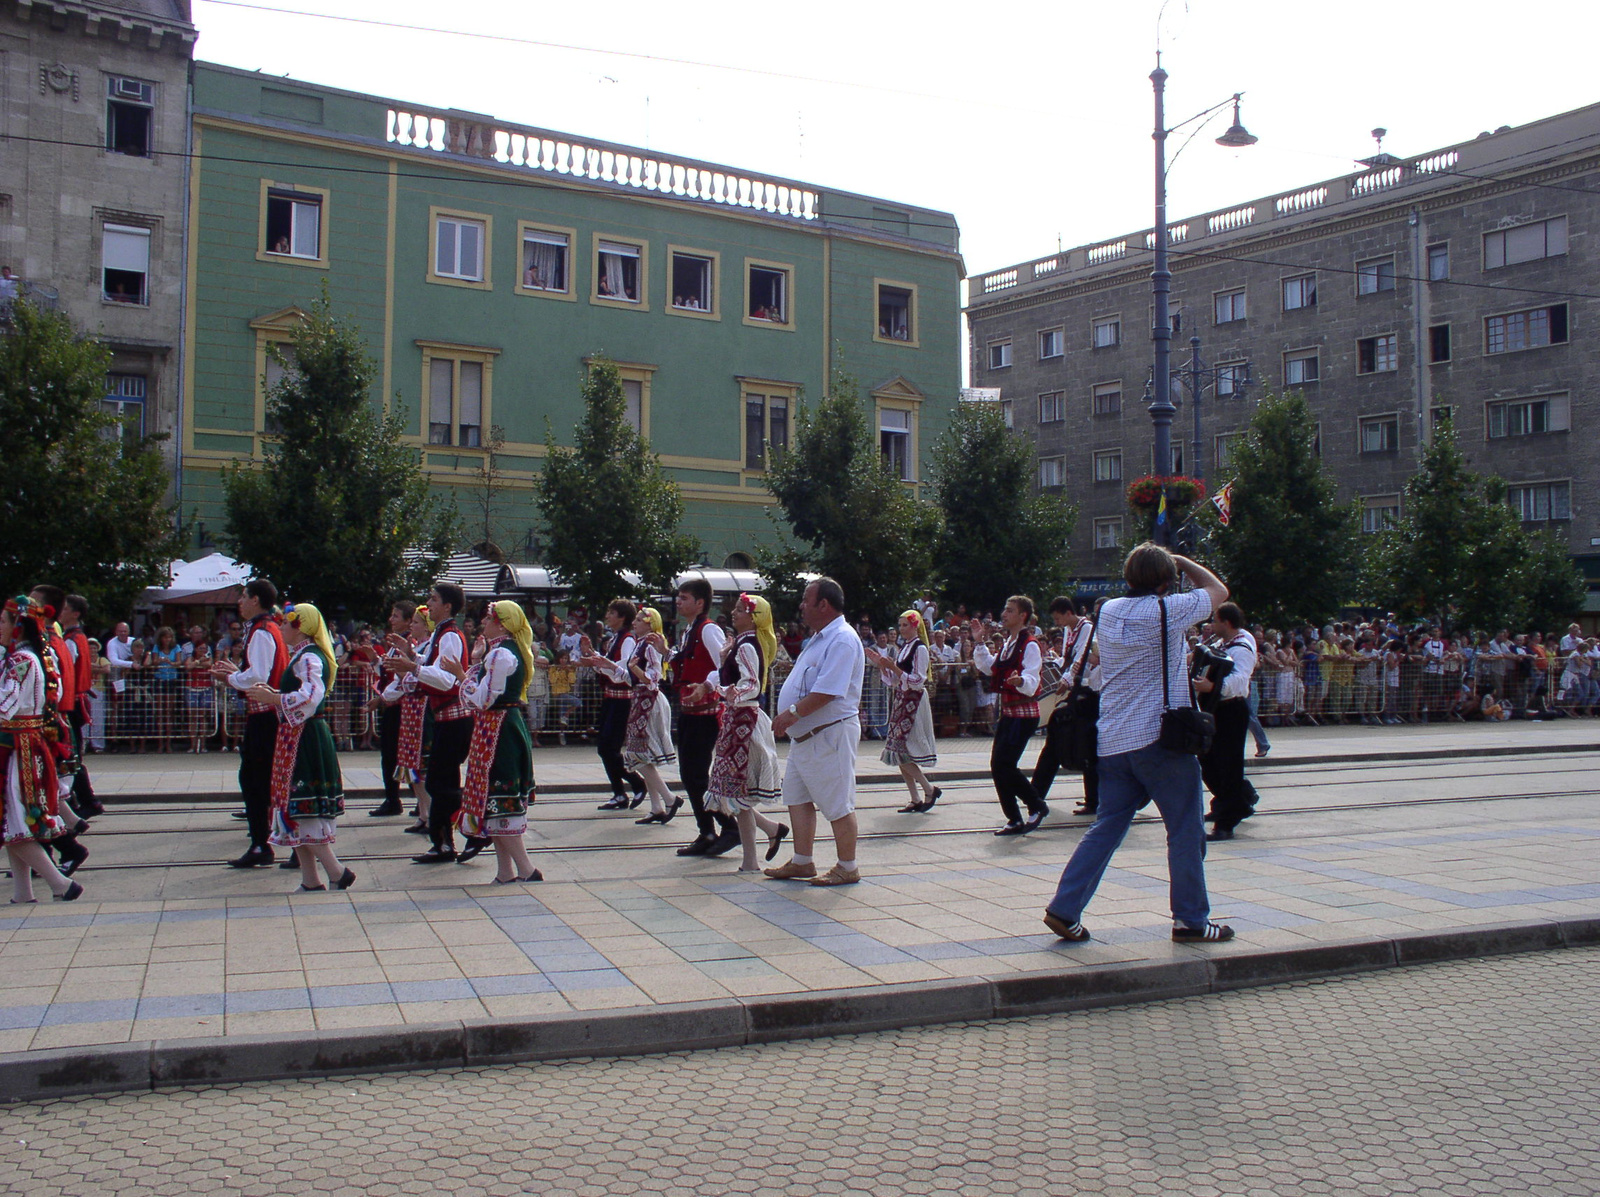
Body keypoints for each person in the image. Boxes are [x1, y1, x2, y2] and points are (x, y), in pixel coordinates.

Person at [1043, 544, 1233, 944]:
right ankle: (1191, 920)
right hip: (1160, 739)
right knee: (1184, 830)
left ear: (1128, 578)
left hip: (1113, 740)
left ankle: (1065, 908)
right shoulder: (1169, 608)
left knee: (1106, 827)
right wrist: (1182, 562)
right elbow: (1219, 591)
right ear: (1166, 581)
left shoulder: (1107, 610)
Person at [246, 604, 353, 893]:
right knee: (293, 808)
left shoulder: (309, 658)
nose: (280, 627)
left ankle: (336, 870)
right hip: (296, 735)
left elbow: (312, 696)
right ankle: (311, 879)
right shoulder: (303, 655)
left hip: (305, 737)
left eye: (285, 622)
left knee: (304, 806)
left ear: (300, 626)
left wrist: (275, 698)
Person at [766, 578, 866, 886]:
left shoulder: (842, 639)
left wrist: (791, 714)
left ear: (823, 605)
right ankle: (802, 861)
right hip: (806, 737)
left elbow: (828, 692)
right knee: (797, 797)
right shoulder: (820, 639)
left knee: (837, 804)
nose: (801, 606)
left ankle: (847, 866)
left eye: (805, 600)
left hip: (829, 734)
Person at [440, 601, 541, 884]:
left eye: (489, 617)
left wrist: (462, 676)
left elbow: (484, 699)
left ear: (502, 623)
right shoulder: (499, 652)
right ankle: (506, 872)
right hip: (495, 727)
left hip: (499, 730)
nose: (484, 621)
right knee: (492, 803)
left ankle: (527, 869)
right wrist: (474, 663)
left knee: (499, 799)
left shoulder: (501, 654)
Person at [1, 596, 83, 902]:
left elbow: (4, 707)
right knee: (16, 821)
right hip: (29, 745)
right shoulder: (39, 656)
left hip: (18, 749)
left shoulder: (21, 661)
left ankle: (61, 883)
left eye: (2, 621)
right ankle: (23, 891)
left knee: (12, 822)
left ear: (17, 626)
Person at [697, 594, 787, 872]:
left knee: (739, 792)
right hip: (738, 720)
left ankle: (752, 860)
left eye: (740, 610)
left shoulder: (748, 645)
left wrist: (725, 691)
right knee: (736, 793)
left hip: (745, 722)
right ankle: (762, 843)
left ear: (754, 616)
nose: (734, 613)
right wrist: (725, 659)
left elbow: (751, 686)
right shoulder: (743, 643)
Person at [387, 584, 476, 863]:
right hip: (447, 718)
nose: (429, 603)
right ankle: (447, 841)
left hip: (454, 719)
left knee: (441, 782)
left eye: (433, 599)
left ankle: (463, 831)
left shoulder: (450, 635)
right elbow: (436, 667)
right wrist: (413, 657)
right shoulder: (443, 633)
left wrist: (413, 667)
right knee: (440, 781)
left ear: (447, 606)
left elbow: (447, 679)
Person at [212, 579, 289, 867]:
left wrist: (230, 678)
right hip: (266, 713)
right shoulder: (268, 628)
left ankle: (261, 844)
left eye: (244, 597)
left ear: (255, 599)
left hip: (265, 715)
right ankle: (282, 843)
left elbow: (259, 675)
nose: (240, 602)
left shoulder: (261, 630)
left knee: (255, 780)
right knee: (266, 778)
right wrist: (237, 672)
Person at [659, 579, 739, 855]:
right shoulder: (690, 631)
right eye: (678, 598)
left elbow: (726, 665)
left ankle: (729, 827)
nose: (679, 602)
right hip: (690, 711)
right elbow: (687, 661)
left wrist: (706, 686)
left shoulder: (708, 630)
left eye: (684, 598)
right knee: (689, 774)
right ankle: (706, 831)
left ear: (700, 603)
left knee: (697, 774)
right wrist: (665, 652)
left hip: (705, 713)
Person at [974, 595, 1048, 835]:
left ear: (1022, 616)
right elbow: (991, 668)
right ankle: (1015, 817)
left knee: (1004, 764)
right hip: (1009, 712)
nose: (1004, 614)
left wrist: (1021, 681)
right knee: (998, 765)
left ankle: (1035, 805)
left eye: (1009, 610)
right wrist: (979, 643)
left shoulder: (1030, 644)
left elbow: (1033, 677)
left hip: (1024, 714)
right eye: (1004, 609)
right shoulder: (1009, 642)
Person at [1194, 602, 1261, 842]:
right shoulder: (1222, 644)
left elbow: (1241, 681)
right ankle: (1233, 802)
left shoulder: (1242, 647)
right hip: (1216, 709)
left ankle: (1226, 822)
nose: (1211, 624)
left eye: (1215, 620)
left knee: (1228, 765)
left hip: (1231, 709)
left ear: (1226, 622)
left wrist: (1212, 686)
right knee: (1207, 760)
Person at [1031, 597, 1100, 817]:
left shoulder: (1086, 628)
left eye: (1059, 618)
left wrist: (1067, 679)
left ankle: (1038, 792)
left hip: (1087, 693)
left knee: (1083, 744)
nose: (1058, 623)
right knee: (1063, 740)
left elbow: (1080, 659)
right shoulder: (1072, 630)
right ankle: (1036, 792)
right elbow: (1068, 658)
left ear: (1068, 613)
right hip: (1076, 692)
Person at [867, 610, 940, 813]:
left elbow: (918, 680)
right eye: (900, 625)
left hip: (913, 702)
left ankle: (928, 788)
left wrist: (893, 667)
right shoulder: (906, 647)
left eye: (905, 625)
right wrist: (883, 667)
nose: (901, 629)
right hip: (902, 699)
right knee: (897, 750)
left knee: (899, 749)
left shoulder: (920, 648)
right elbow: (894, 680)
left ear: (915, 626)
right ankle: (916, 796)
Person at [580, 600, 647, 812]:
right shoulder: (616, 638)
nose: (607, 616)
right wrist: (593, 657)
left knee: (609, 748)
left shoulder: (627, 639)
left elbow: (622, 671)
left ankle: (633, 784)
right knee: (605, 748)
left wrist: (597, 662)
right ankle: (620, 791)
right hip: (612, 698)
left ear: (622, 617)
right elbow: (610, 668)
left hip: (622, 699)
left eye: (612, 612)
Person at [620, 607, 679, 822]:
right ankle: (657, 806)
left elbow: (653, 677)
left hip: (649, 702)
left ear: (649, 623)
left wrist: (635, 670)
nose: (634, 623)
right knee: (642, 755)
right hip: (641, 700)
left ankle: (669, 798)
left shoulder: (651, 643)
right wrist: (607, 665)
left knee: (639, 753)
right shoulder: (641, 643)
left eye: (638, 620)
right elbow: (632, 677)